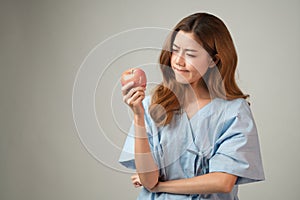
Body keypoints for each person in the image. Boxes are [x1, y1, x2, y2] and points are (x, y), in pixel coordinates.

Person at [119, 12, 265, 200]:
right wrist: (138, 116)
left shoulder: (233, 111)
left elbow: (222, 182)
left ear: (214, 60)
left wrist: (161, 186)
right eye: (175, 50)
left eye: (190, 54)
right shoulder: (152, 106)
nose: (178, 61)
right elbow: (148, 181)